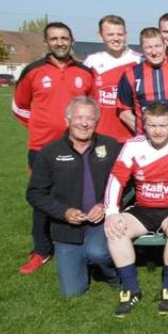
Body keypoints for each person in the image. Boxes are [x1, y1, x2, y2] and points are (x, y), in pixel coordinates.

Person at [103, 103, 168, 317]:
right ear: (144, 125)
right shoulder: (132, 145)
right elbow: (116, 179)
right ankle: (131, 289)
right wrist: (111, 213)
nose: (157, 131)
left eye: (162, 125)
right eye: (152, 125)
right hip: (143, 209)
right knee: (116, 230)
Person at [13, 22, 96, 274]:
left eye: (64, 38)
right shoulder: (33, 70)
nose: (60, 42)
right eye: (54, 38)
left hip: (78, 146)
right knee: (41, 197)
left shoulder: (85, 72)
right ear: (46, 42)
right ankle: (41, 250)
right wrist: (39, 127)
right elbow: (19, 106)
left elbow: (92, 108)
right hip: (42, 147)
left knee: (78, 193)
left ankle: (81, 241)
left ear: (72, 40)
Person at [26, 97, 120, 296]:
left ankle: (112, 274)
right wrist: (64, 212)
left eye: (90, 118)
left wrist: (104, 205)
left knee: (98, 252)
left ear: (97, 122)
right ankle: (84, 257)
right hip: (66, 228)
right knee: (72, 292)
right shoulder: (50, 151)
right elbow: (35, 193)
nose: (84, 123)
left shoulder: (111, 146)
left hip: (101, 223)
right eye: (79, 117)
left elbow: (126, 185)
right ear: (67, 120)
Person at [117, 27, 168, 134]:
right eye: (148, 47)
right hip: (146, 139)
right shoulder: (130, 75)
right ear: (141, 49)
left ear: (164, 46)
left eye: (158, 46)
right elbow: (124, 112)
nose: (154, 52)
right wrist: (144, 131)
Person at [85, 14, 140, 143]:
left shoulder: (139, 61)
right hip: (101, 137)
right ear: (100, 35)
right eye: (110, 34)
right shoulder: (91, 62)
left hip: (132, 138)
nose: (116, 38)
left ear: (126, 35)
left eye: (120, 34)